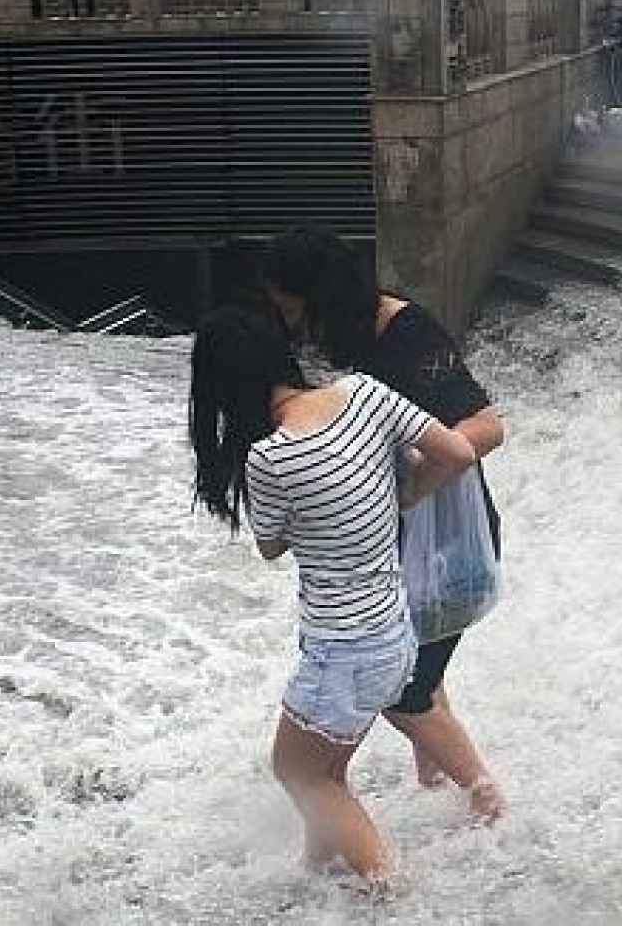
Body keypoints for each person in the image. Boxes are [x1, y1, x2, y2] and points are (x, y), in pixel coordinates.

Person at [189, 306, 475, 889]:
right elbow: (459, 453)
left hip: (343, 650)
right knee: (329, 773)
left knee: (297, 773)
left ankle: (391, 893)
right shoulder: (366, 393)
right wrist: (404, 495)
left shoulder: (269, 457)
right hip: (393, 634)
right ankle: (317, 877)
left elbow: (271, 545)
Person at [264, 227, 509, 822]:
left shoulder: (405, 331)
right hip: (399, 546)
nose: (287, 320)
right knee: (418, 671)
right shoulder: (341, 331)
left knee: (405, 692)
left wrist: (412, 484)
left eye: (290, 306)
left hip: (451, 541)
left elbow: (486, 426)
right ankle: (438, 794)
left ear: (317, 295)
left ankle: (490, 807)